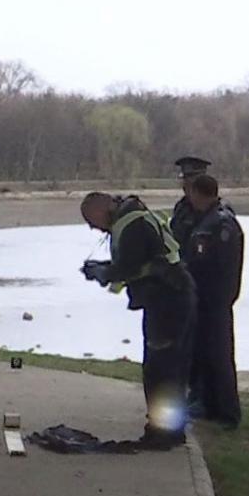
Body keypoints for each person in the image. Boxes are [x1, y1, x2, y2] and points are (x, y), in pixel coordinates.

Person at [80, 192, 196, 448]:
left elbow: (128, 268)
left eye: (91, 220)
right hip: (172, 297)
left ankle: (163, 433)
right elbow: (138, 261)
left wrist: (103, 272)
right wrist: (105, 269)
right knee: (169, 369)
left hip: (167, 301)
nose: (93, 227)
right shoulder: (135, 217)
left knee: (160, 371)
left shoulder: (131, 224)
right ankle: (169, 431)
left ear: (102, 209)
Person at [183, 175, 244, 428]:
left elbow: (223, 267)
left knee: (219, 358)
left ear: (199, 193)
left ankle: (228, 414)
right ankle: (208, 405)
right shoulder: (204, 220)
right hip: (201, 300)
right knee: (201, 356)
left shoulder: (221, 224)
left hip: (215, 301)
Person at [169, 156, 211, 246]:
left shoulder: (214, 210)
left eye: (189, 182)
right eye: (184, 180)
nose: (184, 185)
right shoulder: (181, 208)